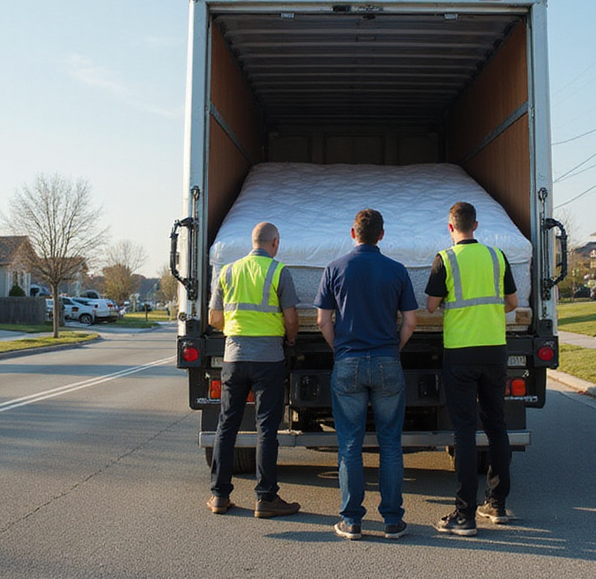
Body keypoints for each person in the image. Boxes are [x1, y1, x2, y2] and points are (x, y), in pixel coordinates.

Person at [315, 209, 419, 540]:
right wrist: (395, 348)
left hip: (348, 361)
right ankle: (392, 520)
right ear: (381, 235)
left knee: (349, 444)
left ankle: (352, 521)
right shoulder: (397, 271)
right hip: (387, 360)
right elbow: (411, 321)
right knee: (390, 443)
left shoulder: (334, 269)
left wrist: (338, 348)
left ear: (352, 233)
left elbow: (322, 320)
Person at [425, 201, 518, 537]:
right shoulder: (497, 256)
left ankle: (464, 515)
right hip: (494, 350)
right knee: (496, 425)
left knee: (464, 431)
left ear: (451, 228)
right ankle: (497, 504)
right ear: (475, 226)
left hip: (461, 353)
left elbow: (432, 305)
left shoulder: (445, 259)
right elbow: (513, 303)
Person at [207, 221, 301, 519]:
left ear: (253, 242)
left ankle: (219, 496)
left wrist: (235, 330)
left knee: (226, 426)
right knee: (266, 429)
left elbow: (213, 318)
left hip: (234, 358)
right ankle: (265, 498)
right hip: (268, 359)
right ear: (275, 243)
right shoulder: (278, 271)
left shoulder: (228, 271)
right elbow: (291, 318)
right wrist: (291, 339)